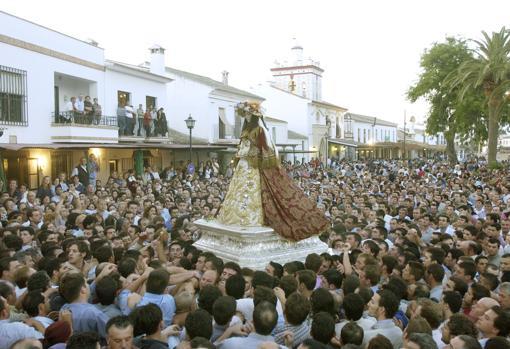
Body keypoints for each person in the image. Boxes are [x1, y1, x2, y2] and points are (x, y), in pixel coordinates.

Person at [216, 101, 329, 241]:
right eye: (245, 114)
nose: (246, 117)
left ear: (254, 115)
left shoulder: (260, 130)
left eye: (248, 114)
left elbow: (266, 148)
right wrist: (240, 153)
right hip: (244, 164)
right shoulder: (245, 131)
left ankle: (256, 216)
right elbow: (242, 145)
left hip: (254, 164)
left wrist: (252, 154)